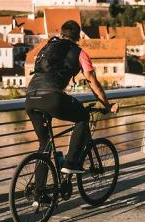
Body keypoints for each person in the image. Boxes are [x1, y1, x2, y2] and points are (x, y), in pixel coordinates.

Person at [25, 20, 119, 174]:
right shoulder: (80, 53)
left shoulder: (48, 47)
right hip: (52, 97)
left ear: (61, 34)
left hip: (30, 97)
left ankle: (39, 195)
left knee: (45, 145)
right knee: (82, 117)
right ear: (79, 37)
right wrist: (107, 105)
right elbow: (92, 82)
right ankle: (71, 163)